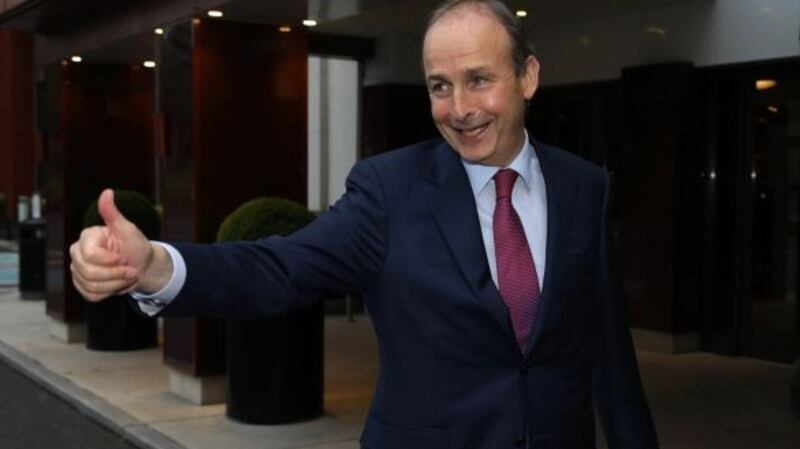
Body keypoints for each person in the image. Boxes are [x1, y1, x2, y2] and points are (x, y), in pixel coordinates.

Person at [70, 1, 659, 447]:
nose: (460, 108)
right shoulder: (388, 190)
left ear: (527, 77)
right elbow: (283, 267)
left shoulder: (584, 187)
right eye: (440, 87)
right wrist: (153, 267)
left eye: (479, 79)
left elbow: (609, 350)